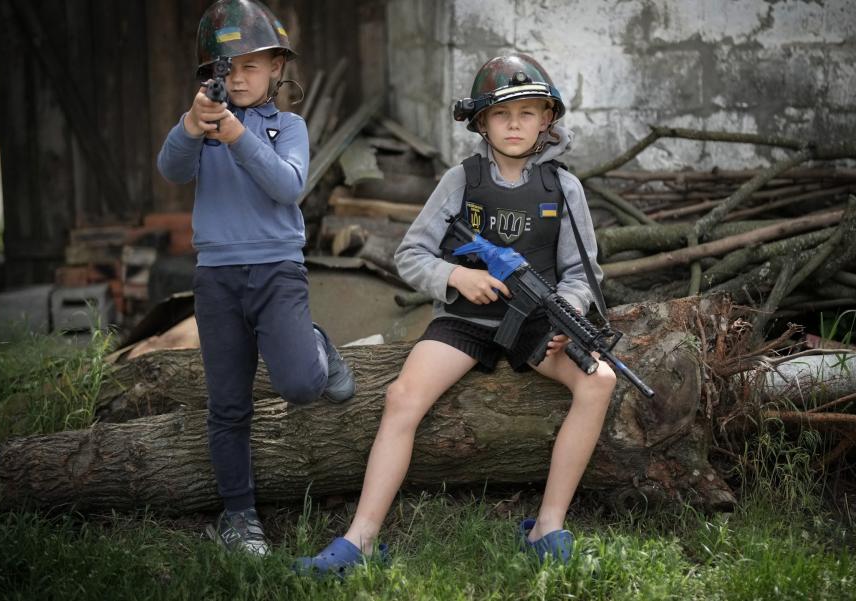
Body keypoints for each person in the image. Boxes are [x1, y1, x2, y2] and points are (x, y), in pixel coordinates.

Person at [295, 53, 615, 577]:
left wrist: (569, 313)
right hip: (464, 318)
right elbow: (411, 254)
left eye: (529, 113)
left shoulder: (565, 188)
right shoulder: (460, 180)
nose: (515, 125)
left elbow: (582, 274)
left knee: (599, 380)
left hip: (536, 321)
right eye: (503, 114)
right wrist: (455, 277)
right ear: (482, 122)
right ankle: (361, 540)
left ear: (547, 121)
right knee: (402, 396)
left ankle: (546, 527)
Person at [156, 0, 355, 556]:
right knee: (228, 403)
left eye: (251, 65)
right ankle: (238, 517)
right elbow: (170, 171)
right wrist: (193, 126)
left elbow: (288, 187)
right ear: (210, 76)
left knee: (298, 385)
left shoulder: (287, 125)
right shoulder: (201, 127)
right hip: (217, 277)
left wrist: (238, 136)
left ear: (275, 70)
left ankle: (317, 345)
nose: (238, 77)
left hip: (277, 271)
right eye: (227, 67)